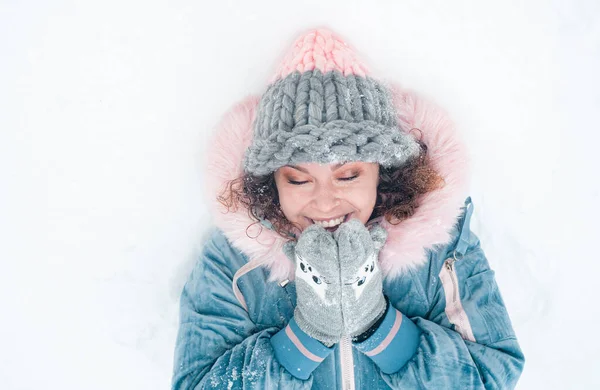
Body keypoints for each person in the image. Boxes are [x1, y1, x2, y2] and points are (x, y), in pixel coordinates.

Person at [171, 28, 525, 389]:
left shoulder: (440, 249)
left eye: (348, 176)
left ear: (382, 173)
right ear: (271, 182)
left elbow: (491, 374)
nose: (325, 202)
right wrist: (308, 335)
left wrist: (377, 325)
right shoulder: (233, 262)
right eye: (298, 180)